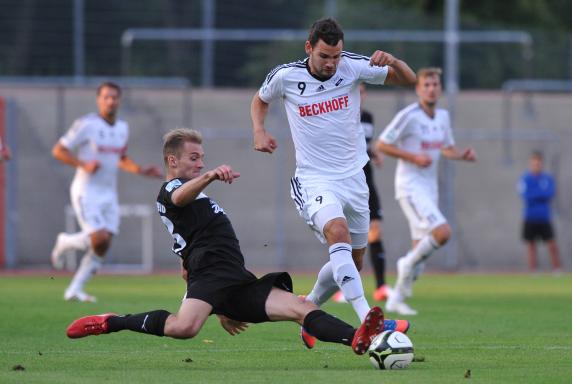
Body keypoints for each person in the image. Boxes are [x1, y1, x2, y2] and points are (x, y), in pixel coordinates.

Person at [66, 128, 388, 356]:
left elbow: (185, 256)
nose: (200, 164)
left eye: (202, 159)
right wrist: (209, 177)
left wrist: (220, 305)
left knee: (301, 307)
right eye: (193, 158)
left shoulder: (197, 196)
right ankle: (113, 322)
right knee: (185, 328)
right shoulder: (171, 192)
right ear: (172, 161)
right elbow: (178, 197)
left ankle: (359, 337)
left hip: (235, 279)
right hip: (211, 277)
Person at [250, 17, 416, 347]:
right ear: (309, 48)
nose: (331, 63)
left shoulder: (352, 67)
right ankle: (369, 319)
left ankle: (307, 312)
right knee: (336, 234)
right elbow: (260, 99)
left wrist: (393, 61)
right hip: (314, 180)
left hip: (354, 179)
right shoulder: (287, 76)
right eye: (325, 56)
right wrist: (259, 130)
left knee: (352, 262)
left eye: (336, 56)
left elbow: (409, 81)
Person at [377, 67, 477, 316]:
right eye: (427, 85)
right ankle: (405, 263)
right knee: (442, 233)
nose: (431, 89)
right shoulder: (408, 115)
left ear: (439, 88)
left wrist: (461, 155)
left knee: (420, 257)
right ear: (418, 89)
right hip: (410, 188)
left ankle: (396, 299)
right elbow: (382, 144)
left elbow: (446, 148)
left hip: (428, 189)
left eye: (435, 85)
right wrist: (412, 156)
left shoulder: (442, 117)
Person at [51, 81, 163, 302]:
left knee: (103, 244)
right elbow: (59, 150)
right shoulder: (86, 124)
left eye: (114, 97)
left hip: (108, 194)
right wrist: (82, 164)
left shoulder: (122, 128)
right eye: (106, 97)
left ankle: (75, 289)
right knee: (98, 237)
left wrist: (140, 170)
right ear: (99, 100)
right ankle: (65, 242)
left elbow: (120, 158)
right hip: (86, 191)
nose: (111, 101)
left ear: (119, 100)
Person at [333, 83, 392, 303]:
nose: (359, 95)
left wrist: (375, 153)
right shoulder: (338, 116)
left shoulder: (368, 117)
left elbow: (365, 145)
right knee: (344, 235)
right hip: (346, 182)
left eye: (362, 92)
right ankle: (343, 287)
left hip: (367, 181)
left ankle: (381, 287)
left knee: (375, 230)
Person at [517, 151, 561, 273]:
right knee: (531, 245)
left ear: (541, 164)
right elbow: (526, 195)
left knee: (552, 244)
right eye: (534, 163)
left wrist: (536, 194)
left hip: (544, 217)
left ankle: (557, 270)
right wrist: (540, 194)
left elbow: (550, 193)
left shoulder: (547, 178)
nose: (536, 165)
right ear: (530, 164)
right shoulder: (525, 178)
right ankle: (533, 270)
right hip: (530, 217)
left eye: (538, 163)